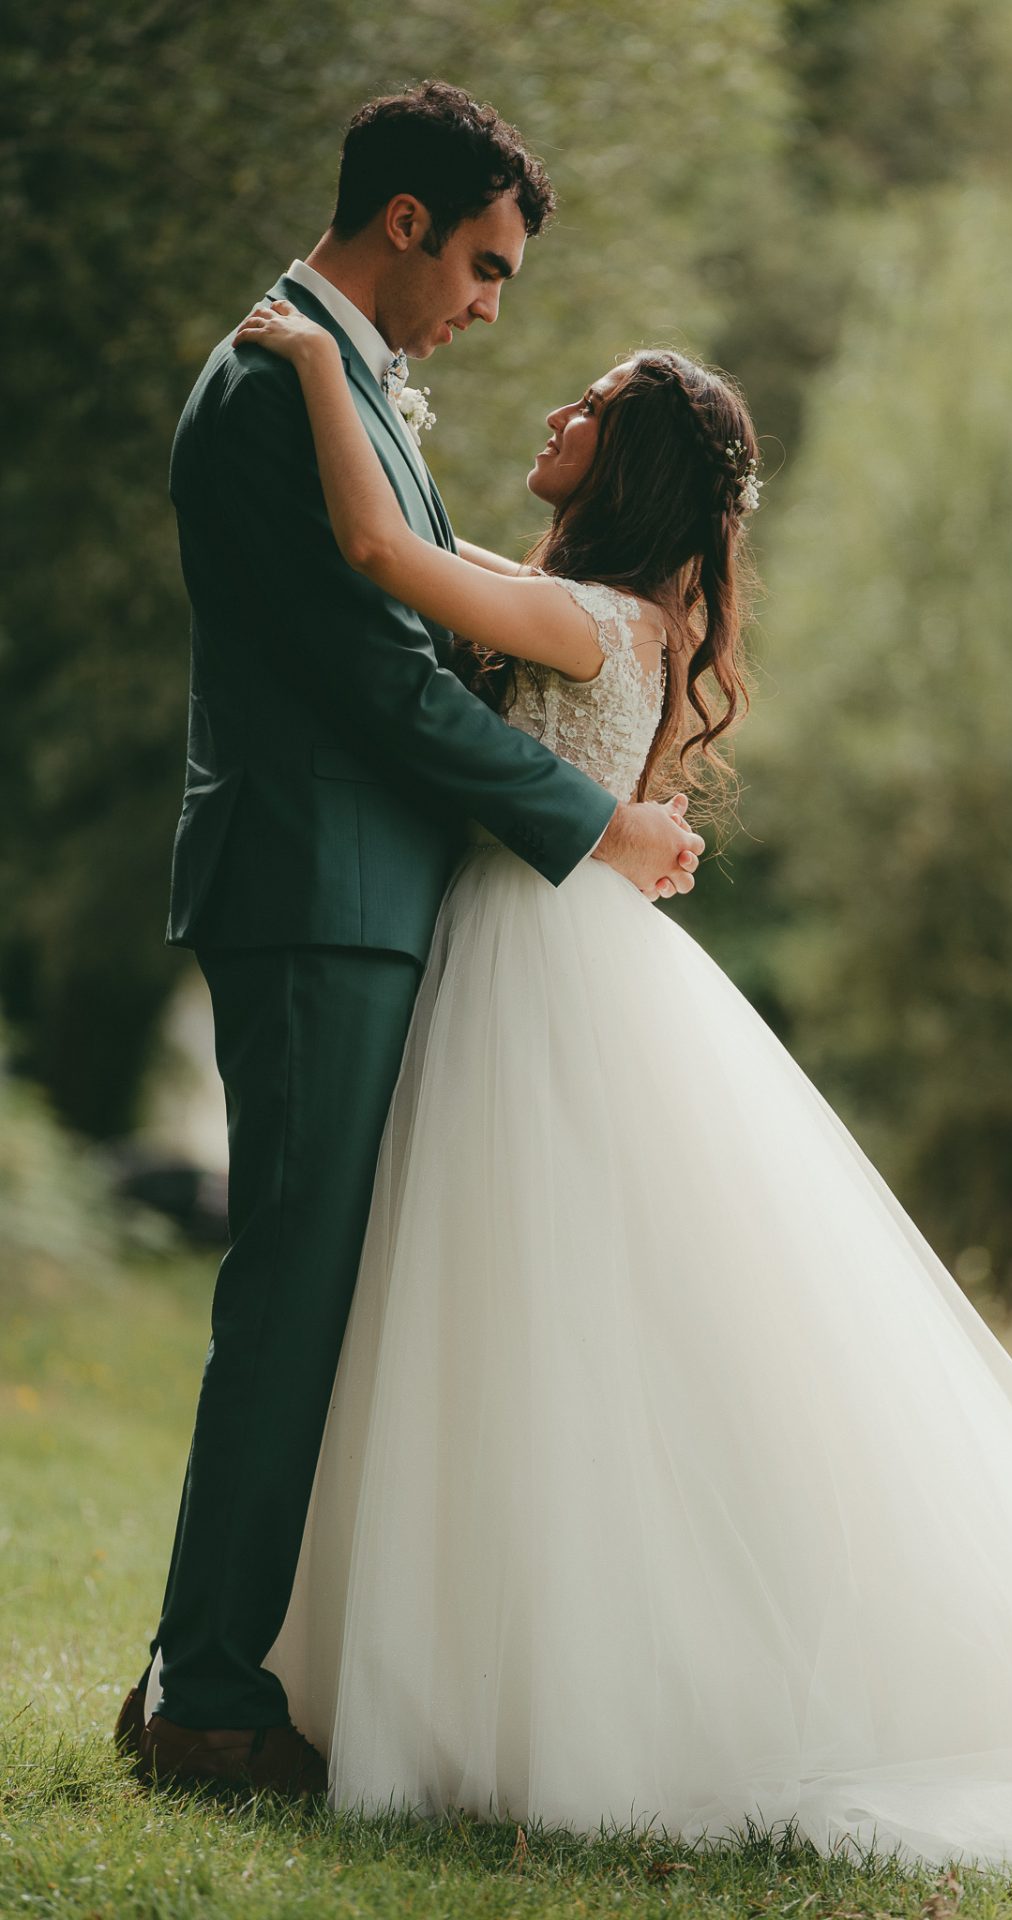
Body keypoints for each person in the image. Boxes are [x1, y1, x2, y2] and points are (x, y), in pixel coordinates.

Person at [205, 295, 1012, 1880]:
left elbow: (378, 559)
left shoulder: (589, 623)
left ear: (625, 463)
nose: (555, 413)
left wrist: (310, 362)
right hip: (541, 951)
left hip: (532, 968)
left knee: (532, 1311)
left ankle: (536, 1687)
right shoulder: (603, 609)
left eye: (586, 405)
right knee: (522, 1313)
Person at [114, 81, 702, 1798]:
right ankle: (212, 1697)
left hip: (363, 896)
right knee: (288, 1302)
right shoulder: (262, 387)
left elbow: (421, 632)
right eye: (490, 265)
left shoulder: (341, 375)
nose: (491, 303)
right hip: (314, 892)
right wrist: (589, 819)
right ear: (404, 223)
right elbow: (370, 677)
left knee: (309, 1301)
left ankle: (205, 1670)